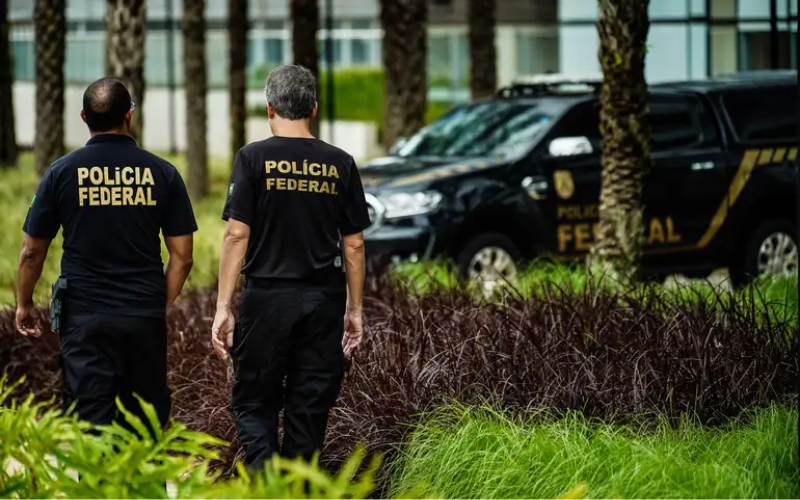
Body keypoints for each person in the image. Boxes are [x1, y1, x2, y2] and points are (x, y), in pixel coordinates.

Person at [15, 77, 197, 436]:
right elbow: (183, 256)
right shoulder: (163, 173)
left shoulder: (62, 172)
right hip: (142, 316)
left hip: (85, 318)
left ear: (83, 117)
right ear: (129, 115)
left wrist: (23, 303)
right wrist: (159, 302)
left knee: (91, 420)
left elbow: (31, 251)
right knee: (144, 422)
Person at [211, 64, 370, 470]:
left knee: (254, 401)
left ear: (269, 109)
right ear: (313, 108)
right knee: (309, 405)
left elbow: (235, 236)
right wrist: (354, 310)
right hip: (323, 302)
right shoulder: (341, 163)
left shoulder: (252, 158)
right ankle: (297, 489)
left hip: (267, 301)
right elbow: (353, 244)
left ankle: (268, 488)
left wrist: (224, 307)